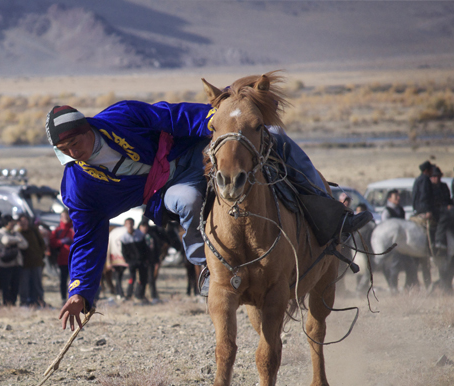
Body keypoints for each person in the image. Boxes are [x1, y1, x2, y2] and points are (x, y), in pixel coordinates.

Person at [47, 100, 373, 330]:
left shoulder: (121, 116)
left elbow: (172, 116)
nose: (74, 153)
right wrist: (80, 292)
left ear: (88, 126)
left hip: (196, 151)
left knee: (274, 139)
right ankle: (206, 270)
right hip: (170, 188)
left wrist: (216, 122)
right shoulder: (78, 186)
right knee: (189, 201)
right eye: (65, 150)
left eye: (76, 142)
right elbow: (88, 238)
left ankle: (330, 211)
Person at [0, 214, 28, 306]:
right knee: (5, 286)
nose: (13, 224)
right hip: (5, 264)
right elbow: (5, 240)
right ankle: (6, 303)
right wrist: (17, 240)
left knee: (15, 286)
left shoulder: (15, 232)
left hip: (17, 263)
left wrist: (14, 241)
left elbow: (25, 244)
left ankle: (13, 303)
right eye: (10, 222)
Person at [18, 214, 45, 307]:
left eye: (25, 221)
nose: (24, 223)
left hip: (36, 261)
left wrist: (40, 255)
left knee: (37, 283)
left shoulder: (34, 230)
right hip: (24, 263)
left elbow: (42, 244)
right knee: (24, 284)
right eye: (22, 221)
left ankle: (39, 301)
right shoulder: (18, 233)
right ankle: (25, 302)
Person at [120, 218, 148, 301]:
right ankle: (129, 295)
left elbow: (145, 248)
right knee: (132, 278)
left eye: (131, 223)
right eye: (128, 224)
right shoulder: (124, 238)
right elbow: (124, 252)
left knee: (143, 278)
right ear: (125, 225)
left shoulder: (140, 235)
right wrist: (128, 261)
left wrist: (145, 259)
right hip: (132, 262)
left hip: (141, 261)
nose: (130, 225)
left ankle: (140, 295)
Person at [50, 210, 75, 302]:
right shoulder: (57, 230)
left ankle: (74, 297)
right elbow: (52, 243)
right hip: (62, 259)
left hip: (74, 259)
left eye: (67, 216)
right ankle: (64, 298)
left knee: (75, 280)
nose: (65, 218)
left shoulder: (74, 228)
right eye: (63, 216)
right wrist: (61, 241)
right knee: (63, 280)